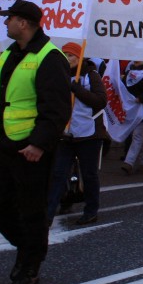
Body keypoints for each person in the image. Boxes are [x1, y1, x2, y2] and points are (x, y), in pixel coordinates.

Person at [0, 0, 71, 284]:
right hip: (7, 144)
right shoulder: (8, 54)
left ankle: (29, 268)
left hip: (32, 150)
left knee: (32, 210)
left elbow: (57, 109)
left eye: (9, 19)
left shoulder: (50, 57)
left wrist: (39, 144)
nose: (5, 24)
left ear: (24, 23)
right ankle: (30, 246)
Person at [46, 42, 107, 226]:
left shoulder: (91, 75)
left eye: (70, 55)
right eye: (64, 55)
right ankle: (48, 214)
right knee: (58, 173)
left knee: (89, 174)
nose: (67, 58)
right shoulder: (59, 75)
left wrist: (77, 89)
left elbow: (100, 101)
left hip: (88, 134)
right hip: (65, 134)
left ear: (79, 57)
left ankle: (91, 211)